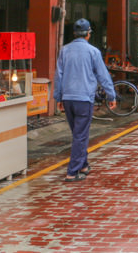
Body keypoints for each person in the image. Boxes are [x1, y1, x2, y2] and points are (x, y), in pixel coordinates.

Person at [53, 18, 116, 182]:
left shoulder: (64, 50)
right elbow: (103, 75)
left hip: (68, 98)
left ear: (75, 34)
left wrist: (58, 97)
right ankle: (72, 172)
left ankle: (83, 165)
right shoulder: (93, 52)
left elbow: (58, 75)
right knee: (80, 136)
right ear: (88, 34)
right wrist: (111, 96)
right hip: (84, 99)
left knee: (78, 134)